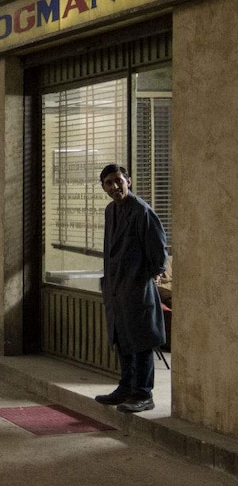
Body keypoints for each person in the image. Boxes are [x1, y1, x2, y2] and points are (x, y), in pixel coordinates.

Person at [95, 164, 168, 413]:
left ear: (128, 181)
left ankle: (143, 393)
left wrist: (148, 277)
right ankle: (125, 387)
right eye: (109, 183)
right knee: (122, 338)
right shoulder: (110, 211)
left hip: (137, 286)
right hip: (116, 286)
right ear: (103, 187)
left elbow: (158, 252)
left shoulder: (142, 211)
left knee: (141, 340)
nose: (115, 187)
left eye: (118, 181)